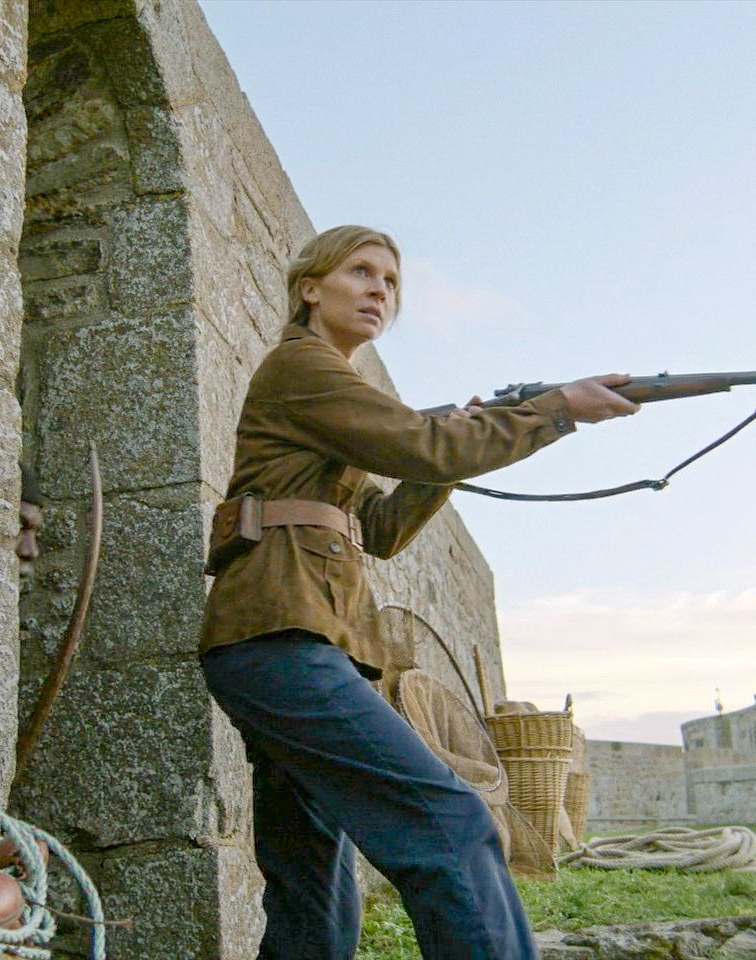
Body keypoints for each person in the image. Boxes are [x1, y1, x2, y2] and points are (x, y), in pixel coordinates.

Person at [198, 225, 640, 959]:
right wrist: (554, 409)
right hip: (279, 642)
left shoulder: (331, 390)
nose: (380, 290)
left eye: (392, 282)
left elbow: (382, 524)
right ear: (311, 288)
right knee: (451, 823)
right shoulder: (303, 367)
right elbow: (421, 444)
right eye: (361, 272)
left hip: (284, 642)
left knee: (314, 893)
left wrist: (448, 445)